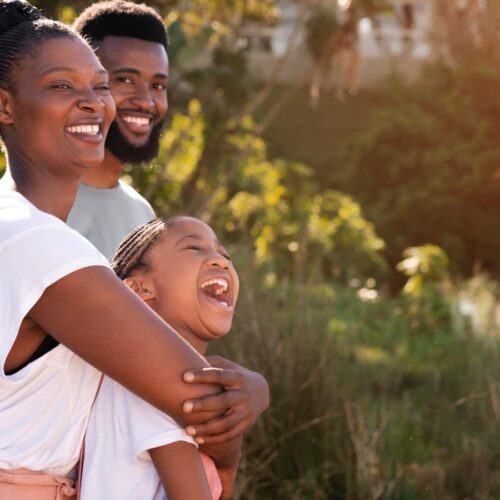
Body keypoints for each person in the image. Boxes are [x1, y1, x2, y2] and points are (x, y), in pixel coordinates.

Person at [0, 1, 263, 497]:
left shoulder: (15, 222)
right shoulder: (42, 246)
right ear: (5, 106)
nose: (94, 102)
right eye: (62, 85)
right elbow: (201, 403)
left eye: (99, 86)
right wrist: (253, 399)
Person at [68, 0, 269, 447]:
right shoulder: (31, 205)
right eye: (124, 80)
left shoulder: (142, 216)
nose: (145, 100)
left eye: (158, 84)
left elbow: (158, 347)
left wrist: (247, 387)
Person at [81, 216, 241, 499]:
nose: (220, 260)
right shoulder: (153, 383)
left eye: (224, 253)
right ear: (138, 290)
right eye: (194, 248)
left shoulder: (143, 373)